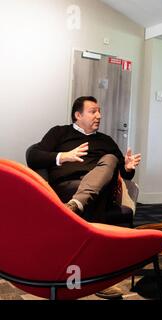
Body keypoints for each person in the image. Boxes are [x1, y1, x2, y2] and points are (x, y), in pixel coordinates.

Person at [27, 96, 141, 299]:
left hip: (95, 191)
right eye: (93, 111)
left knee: (111, 159)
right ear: (78, 115)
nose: (99, 115)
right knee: (93, 194)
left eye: (99, 111)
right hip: (66, 188)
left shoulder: (105, 141)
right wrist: (64, 156)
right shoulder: (60, 133)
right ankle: (97, 277)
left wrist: (128, 167)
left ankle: (75, 206)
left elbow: (125, 174)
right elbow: (32, 155)